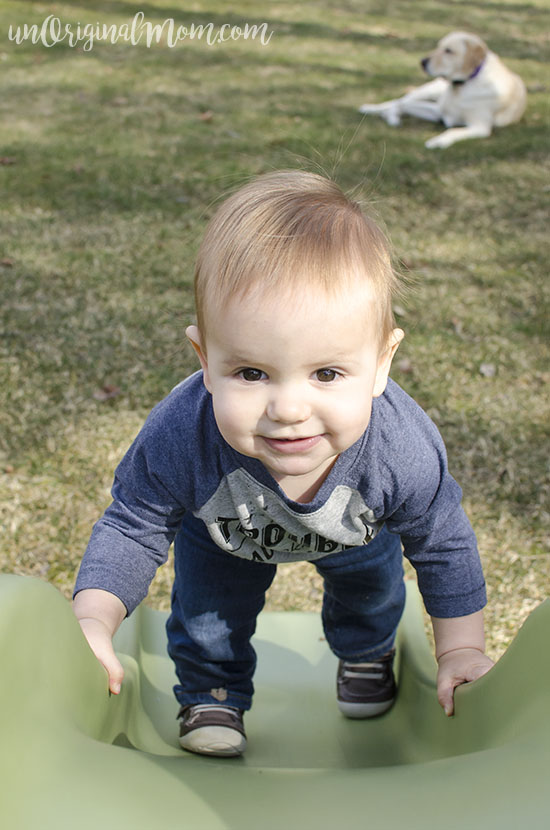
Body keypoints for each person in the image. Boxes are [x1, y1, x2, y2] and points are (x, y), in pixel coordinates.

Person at [73, 170, 493, 757]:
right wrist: (92, 622)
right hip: (223, 533)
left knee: (371, 591)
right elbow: (132, 525)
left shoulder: (400, 450)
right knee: (209, 612)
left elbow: (443, 545)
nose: (289, 409)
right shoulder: (182, 434)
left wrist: (460, 652)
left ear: (381, 364)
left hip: (355, 529)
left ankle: (367, 654)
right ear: (205, 358)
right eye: (251, 373)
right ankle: (212, 690)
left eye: (327, 373)